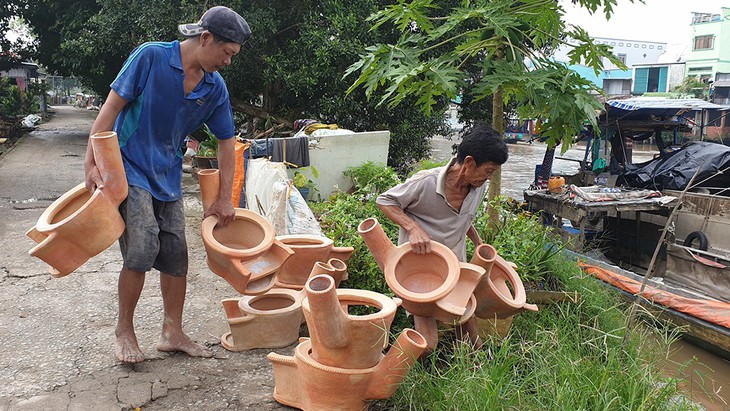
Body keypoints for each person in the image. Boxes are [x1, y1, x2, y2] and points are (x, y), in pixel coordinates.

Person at [84, 6, 251, 363]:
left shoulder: (213, 87)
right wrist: (91, 162)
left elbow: (226, 142)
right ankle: (124, 331)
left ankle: (171, 332)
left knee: (177, 255)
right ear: (205, 38)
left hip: (168, 174)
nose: (228, 62)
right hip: (128, 166)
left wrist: (225, 199)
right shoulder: (151, 57)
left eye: (233, 56)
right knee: (143, 244)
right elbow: (111, 107)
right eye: (226, 53)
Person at [376, 124, 508, 349]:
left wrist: (478, 243)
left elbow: (464, 218)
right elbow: (385, 201)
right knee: (428, 344)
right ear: (468, 162)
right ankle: (396, 361)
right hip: (421, 269)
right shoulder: (425, 182)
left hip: (455, 265)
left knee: (467, 320)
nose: (489, 178)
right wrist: (413, 228)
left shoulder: (478, 187)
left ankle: (476, 361)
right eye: (488, 171)